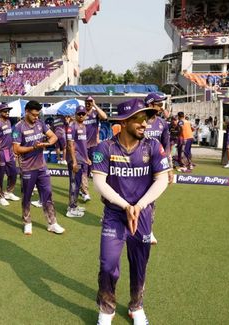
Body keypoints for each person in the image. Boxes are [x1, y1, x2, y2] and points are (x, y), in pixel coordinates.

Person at [92, 98, 170, 325]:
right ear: (124, 121)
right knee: (108, 264)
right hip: (115, 214)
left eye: (146, 119)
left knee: (139, 263)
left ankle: (136, 307)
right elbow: (100, 183)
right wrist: (125, 206)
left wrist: (139, 206)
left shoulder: (153, 146)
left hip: (142, 215)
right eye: (139, 119)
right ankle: (107, 310)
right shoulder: (105, 147)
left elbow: (162, 179)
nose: (145, 124)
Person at [12, 100, 65, 235]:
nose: (36, 117)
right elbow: (16, 149)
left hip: (42, 166)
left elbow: (53, 137)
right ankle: (27, 222)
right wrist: (33, 147)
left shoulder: (40, 124)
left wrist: (46, 144)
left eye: (38, 114)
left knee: (47, 194)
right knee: (27, 196)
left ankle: (52, 223)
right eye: (34, 115)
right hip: (27, 168)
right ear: (27, 112)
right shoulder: (18, 127)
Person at [143, 93, 172, 245]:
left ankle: (148, 230)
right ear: (150, 104)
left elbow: (166, 147)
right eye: (159, 104)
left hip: (155, 168)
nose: (162, 107)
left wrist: (169, 168)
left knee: (151, 200)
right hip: (136, 166)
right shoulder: (139, 120)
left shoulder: (162, 123)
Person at [0, 103, 20, 206]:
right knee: (0, 176)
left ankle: (8, 192)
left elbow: (11, 136)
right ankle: (1, 197)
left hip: (8, 152)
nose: (7, 112)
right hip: (0, 153)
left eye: (8, 111)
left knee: (13, 173)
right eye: (5, 111)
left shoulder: (8, 121)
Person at [66, 105, 91, 218]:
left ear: (86, 115)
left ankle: (74, 205)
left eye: (83, 114)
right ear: (75, 114)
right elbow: (70, 144)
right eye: (79, 114)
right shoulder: (72, 126)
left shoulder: (84, 126)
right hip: (74, 159)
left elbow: (83, 145)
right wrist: (74, 161)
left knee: (78, 183)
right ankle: (71, 209)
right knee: (74, 184)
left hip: (81, 159)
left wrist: (86, 158)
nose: (81, 115)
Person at [81, 96, 108, 202]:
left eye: (90, 102)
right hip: (82, 146)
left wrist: (95, 105)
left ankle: (81, 187)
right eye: (87, 102)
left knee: (91, 168)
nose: (88, 104)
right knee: (84, 168)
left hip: (93, 145)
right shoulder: (81, 112)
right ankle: (85, 192)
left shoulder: (95, 113)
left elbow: (104, 116)